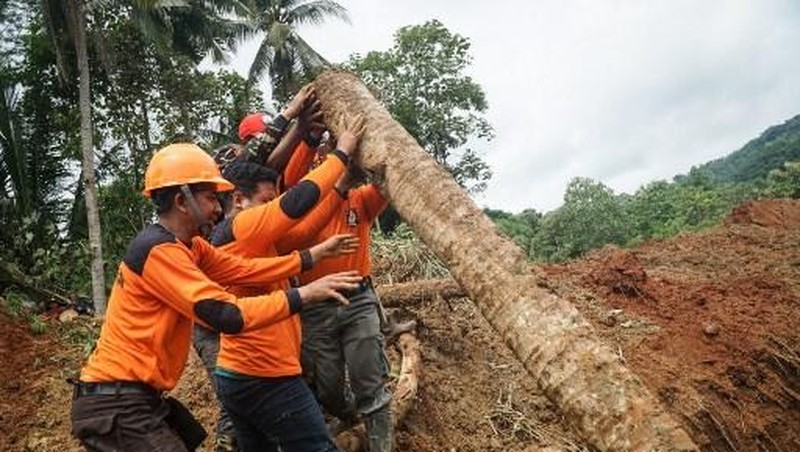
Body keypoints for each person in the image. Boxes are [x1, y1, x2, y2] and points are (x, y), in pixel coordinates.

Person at [69, 142, 362, 452]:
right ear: (182, 201)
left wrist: (306, 259)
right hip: (117, 404)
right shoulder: (159, 251)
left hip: (133, 400)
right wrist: (304, 294)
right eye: (210, 198)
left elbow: (241, 269)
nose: (218, 209)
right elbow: (227, 316)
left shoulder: (190, 246)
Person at [193, 117, 364, 452]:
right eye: (266, 201)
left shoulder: (253, 240)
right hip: (265, 374)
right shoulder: (242, 228)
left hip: (241, 373)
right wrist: (341, 154)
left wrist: (341, 189)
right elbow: (297, 203)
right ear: (239, 200)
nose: (273, 208)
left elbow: (300, 233)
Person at [290, 137, 395, 452]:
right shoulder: (300, 199)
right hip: (314, 307)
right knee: (327, 388)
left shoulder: (360, 198)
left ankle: (381, 443)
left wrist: (371, 147)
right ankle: (349, 414)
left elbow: (387, 177)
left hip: (357, 299)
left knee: (370, 380)